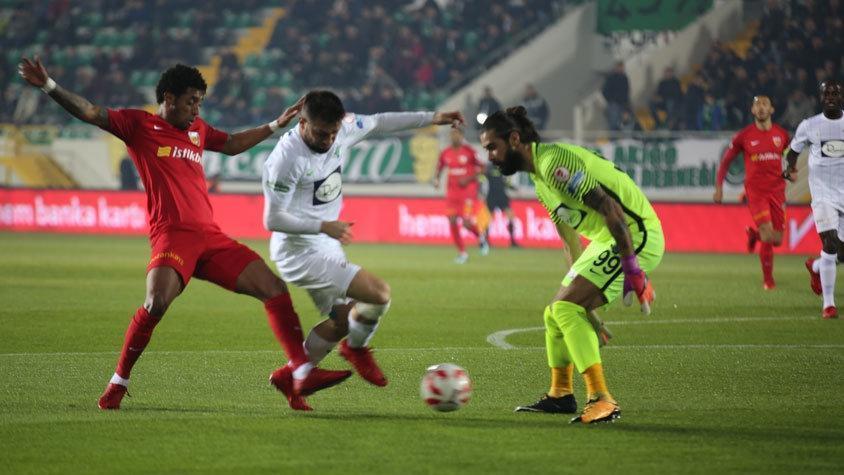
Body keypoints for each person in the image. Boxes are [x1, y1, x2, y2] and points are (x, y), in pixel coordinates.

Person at [17, 57, 352, 411]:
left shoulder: (198, 130)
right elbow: (90, 111)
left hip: (211, 237)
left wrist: (275, 125)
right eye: (192, 101)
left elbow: (232, 143)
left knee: (274, 288)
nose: (196, 110)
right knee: (156, 303)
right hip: (172, 236)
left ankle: (299, 373)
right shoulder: (138, 124)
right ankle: (119, 381)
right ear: (169, 98)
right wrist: (48, 86)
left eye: (200, 103)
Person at [262, 90, 464, 409]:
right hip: (298, 251)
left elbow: (380, 122)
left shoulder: (343, 128)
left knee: (343, 320)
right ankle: (355, 349)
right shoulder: (286, 159)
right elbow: (273, 219)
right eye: (321, 133)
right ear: (302, 123)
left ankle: (291, 376)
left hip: (327, 244)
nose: (329, 140)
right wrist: (323, 226)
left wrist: (434, 118)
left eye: (333, 133)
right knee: (378, 294)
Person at [480, 107, 664, 424]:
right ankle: (561, 394)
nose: (490, 157)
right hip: (607, 240)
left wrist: (632, 269)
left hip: (636, 235)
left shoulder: (554, 164)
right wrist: (588, 308)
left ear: (514, 139)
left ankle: (602, 399)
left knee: (566, 309)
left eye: (492, 147)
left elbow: (612, 210)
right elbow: (570, 243)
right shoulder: (541, 181)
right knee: (555, 313)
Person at [713, 96, 790, 290]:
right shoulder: (744, 136)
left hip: (777, 191)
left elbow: (791, 156)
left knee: (777, 240)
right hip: (756, 193)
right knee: (768, 235)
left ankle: (754, 235)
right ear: (752, 110)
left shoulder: (781, 135)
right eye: (757, 105)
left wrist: (793, 169)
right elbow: (726, 162)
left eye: (765, 104)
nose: (761, 108)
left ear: (772, 109)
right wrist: (719, 188)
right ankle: (768, 281)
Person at [786, 79, 844, 319]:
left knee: (840, 254)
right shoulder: (810, 125)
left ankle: (816, 266)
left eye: (834, 93)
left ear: (841, 97)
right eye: (826, 94)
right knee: (830, 245)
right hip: (822, 193)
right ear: (820, 98)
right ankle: (828, 305)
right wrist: (790, 169)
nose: (830, 97)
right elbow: (793, 151)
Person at [433, 126, 489, 263]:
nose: (454, 137)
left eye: (457, 134)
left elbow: (483, 168)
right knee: (452, 221)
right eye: (452, 134)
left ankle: (481, 237)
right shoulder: (446, 153)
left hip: (467, 193)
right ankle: (462, 253)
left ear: (462, 136)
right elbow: (440, 167)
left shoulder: (469, 151)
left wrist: (468, 179)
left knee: (466, 223)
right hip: (452, 193)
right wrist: (437, 179)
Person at [482, 161, 519, 248]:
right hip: (491, 196)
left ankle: (512, 241)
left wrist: (512, 187)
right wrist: (481, 192)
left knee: (511, 217)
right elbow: (482, 180)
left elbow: (504, 181)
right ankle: (485, 241)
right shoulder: (488, 168)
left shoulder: (503, 167)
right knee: (488, 218)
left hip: (502, 195)